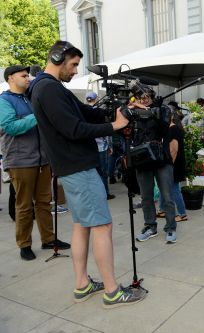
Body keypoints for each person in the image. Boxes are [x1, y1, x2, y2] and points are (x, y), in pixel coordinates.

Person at [28, 40, 146, 307]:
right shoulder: (48, 89)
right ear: (57, 58)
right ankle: (113, 291)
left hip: (70, 168)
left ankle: (82, 284)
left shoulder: (49, 88)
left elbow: (87, 113)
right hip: (78, 167)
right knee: (102, 225)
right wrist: (115, 126)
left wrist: (120, 111)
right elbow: (75, 129)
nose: (75, 70)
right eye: (72, 65)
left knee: (82, 225)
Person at [0, 65, 70, 261]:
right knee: (24, 206)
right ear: (11, 78)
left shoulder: (31, 98)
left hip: (43, 159)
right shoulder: (3, 101)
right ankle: (24, 244)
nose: (28, 78)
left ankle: (48, 239)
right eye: (23, 75)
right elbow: (10, 127)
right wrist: (37, 115)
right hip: (20, 161)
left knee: (44, 203)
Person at [133, 87, 178, 244]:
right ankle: (150, 226)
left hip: (161, 158)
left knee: (167, 196)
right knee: (146, 197)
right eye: (140, 97)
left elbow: (166, 130)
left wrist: (157, 111)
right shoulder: (133, 112)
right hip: (142, 159)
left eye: (146, 96)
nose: (144, 99)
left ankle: (171, 227)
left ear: (152, 96)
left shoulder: (162, 109)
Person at [86, 92, 115, 200]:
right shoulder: (100, 112)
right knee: (103, 172)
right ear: (96, 99)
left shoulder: (84, 112)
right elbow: (106, 129)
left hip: (90, 147)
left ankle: (96, 194)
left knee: (94, 172)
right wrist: (110, 146)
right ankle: (105, 193)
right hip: (102, 146)